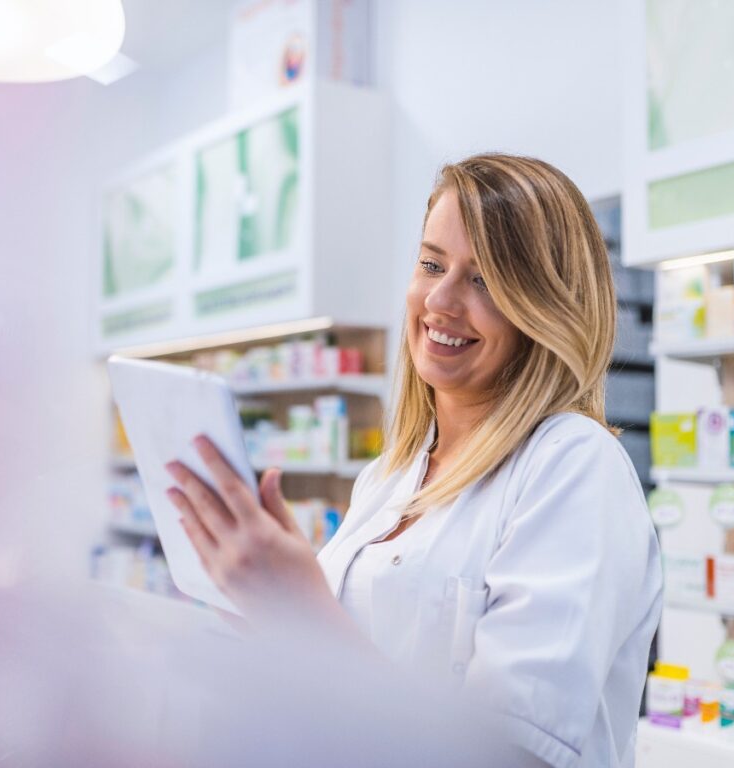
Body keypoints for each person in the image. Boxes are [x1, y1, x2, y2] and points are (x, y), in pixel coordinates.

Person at [165, 153, 664, 768]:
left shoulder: (573, 463)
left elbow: (512, 753)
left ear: (545, 306)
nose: (442, 300)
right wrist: (253, 603)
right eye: (431, 264)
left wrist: (305, 611)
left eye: (484, 280)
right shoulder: (388, 480)